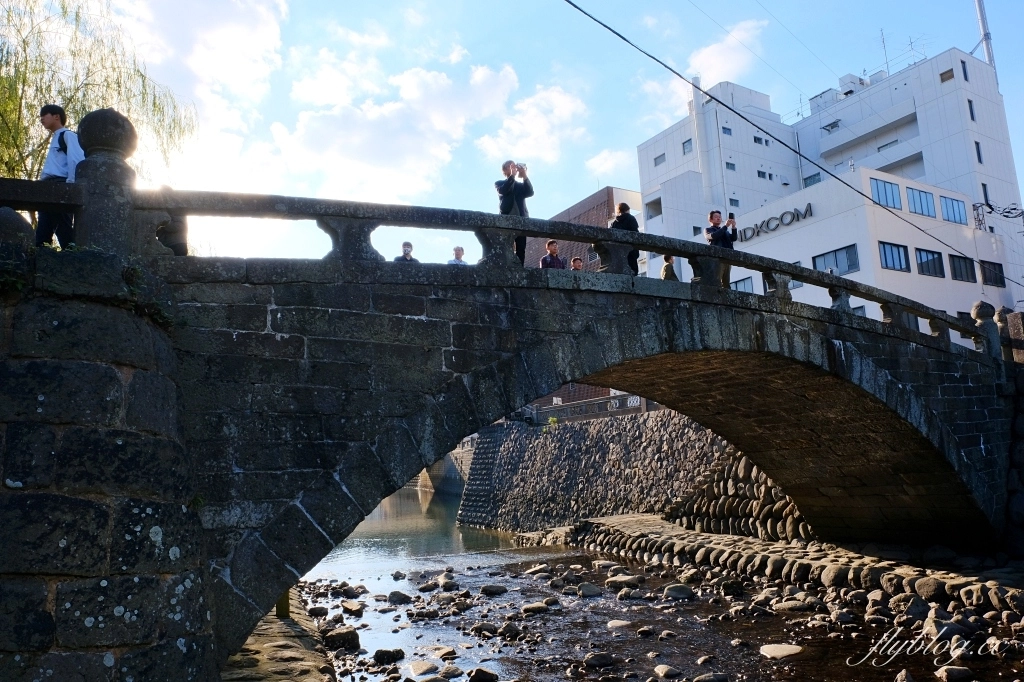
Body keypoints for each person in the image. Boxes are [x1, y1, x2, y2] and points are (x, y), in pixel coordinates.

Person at [36, 104, 85, 248]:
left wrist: (69, 186)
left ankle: (71, 259)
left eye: (45, 115)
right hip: (47, 185)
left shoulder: (67, 135)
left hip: (60, 184)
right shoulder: (55, 138)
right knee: (43, 228)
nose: (42, 119)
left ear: (56, 116)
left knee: (63, 226)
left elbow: (75, 159)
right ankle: (41, 259)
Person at [495, 160, 534, 264]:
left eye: (514, 166)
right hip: (507, 217)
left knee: (521, 248)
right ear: (505, 170)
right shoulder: (500, 183)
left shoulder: (519, 186)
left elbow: (530, 192)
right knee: (507, 246)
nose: (513, 167)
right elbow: (504, 190)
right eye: (510, 166)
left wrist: (524, 175)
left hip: (521, 218)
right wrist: (512, 176)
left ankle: (520, 269)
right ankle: (506, 267)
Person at [704, 210, 737, 287]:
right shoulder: (708, 230)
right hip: (717, 258)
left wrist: (733, 227)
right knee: (717, 280)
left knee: (726, 281)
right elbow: (714, 236)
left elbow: (733, 238)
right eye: (716, 217)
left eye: (719, 217)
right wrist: (725, 226)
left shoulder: (725, 231)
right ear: (710, 219)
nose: (718, 218)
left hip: (727, 257)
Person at [156, 185, 188, 256]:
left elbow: (180, 225)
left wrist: (164, 224)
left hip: (177, 244)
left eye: (163, 194)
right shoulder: (161, 208)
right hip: (163, 245)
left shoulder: (178, 207)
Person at [610, 202, 640, 275]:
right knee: (633, 270)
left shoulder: (614, 222)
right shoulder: (631, 218)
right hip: (631, 248)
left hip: (619, 250)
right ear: (627, 210)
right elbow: (635, 233)